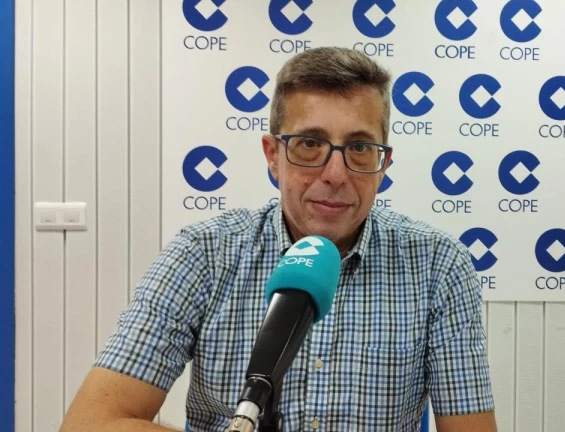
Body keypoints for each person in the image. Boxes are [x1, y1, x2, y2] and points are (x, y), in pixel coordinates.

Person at [60, 46, 496, 432]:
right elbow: (90, 423)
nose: (335, 174)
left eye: (360, 148)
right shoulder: (203, 254)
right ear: (273, 155)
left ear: (383, 164)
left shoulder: (439, 265)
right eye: (309, 144)